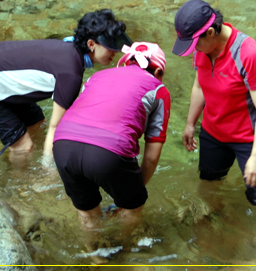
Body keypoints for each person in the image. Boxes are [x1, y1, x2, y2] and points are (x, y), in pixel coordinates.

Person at [172, 0, 256, 255]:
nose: (192, 50)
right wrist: (190, 123)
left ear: (210, 32)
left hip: (247, 139)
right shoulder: (201, 48)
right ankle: (224, 217)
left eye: (194, 43)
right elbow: (199, 85)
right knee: (208, 186)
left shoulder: (249, 54)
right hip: (213, 132)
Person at [0, 9, 132, 164]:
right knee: (23, 147)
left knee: (37, 124)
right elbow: (56, 127)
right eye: (110, 47)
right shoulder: (70, 73)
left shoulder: (69, 46)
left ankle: (31, 162)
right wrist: (48, 170)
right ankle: (18, 184)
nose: (115, 53)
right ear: (91, 44)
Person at [52, 42, 171, 259]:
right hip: (108, 151)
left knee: (87, 213)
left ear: (122, 64)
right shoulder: (158, 88)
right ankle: (125, 250)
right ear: (158, 71)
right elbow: (152, 157)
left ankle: (94, 256)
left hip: (62, 144)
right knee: (134, 206)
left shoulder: (97, 77)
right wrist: (129, 198)